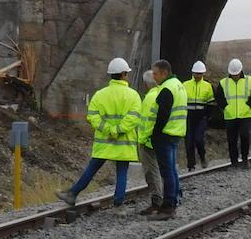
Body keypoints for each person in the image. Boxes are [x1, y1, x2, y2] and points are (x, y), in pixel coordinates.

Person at [57, 58, 143, 207]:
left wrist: (108, 129)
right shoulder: (133, 95)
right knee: (122, 172)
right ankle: (118, 204)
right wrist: (118, 130)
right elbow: (133, 118)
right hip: (124, 143)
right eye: (127, 73)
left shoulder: (100, 95)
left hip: (105, 142)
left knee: (92, 168)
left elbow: (92, 116)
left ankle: (72, 194)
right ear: (123, 74)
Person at [144, 59, 187, 220]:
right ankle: (173, 202)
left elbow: (162, 115)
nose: (153, 77)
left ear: (164, 72)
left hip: (165, 134)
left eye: (155, 73)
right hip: (176, 133)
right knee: (172, 171)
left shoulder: (166, 89)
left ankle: (168, 207)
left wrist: (155, 135)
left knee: (167, 172)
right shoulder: (179, 85)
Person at [214, 58, 251, 168]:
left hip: (245, 115)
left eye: (236, 74)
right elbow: (219, 98)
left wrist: (248, 106)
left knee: (245, 136)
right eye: (233, 74)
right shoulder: (223, 83)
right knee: (231, 140)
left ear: (241, 71)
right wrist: (225, 107)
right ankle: (234, 161)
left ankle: (245, 159)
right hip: (230, 116)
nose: (235, 76)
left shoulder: (250, 81)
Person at [136, 71, 164, 214]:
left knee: (151, 172)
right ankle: (168, 197)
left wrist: (142, 139)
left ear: (146, 84)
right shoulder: (162, 93)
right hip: (161, 140)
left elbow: (147, 121)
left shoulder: (149, 98)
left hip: (148, 141)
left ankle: (157, 201)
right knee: (162, 170)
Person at [183, 60, 215, 170]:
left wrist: (208, 116)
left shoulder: (207, 86)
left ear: (203, 74)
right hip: (188, 117)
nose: (198, 76)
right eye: (196, 73)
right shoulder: (185, 85)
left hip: (201, 117)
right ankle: (191, 165)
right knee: (189, 142)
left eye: (200, 74)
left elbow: (210, 103)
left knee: (198, 140)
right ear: (192, 73)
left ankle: (202, 157)